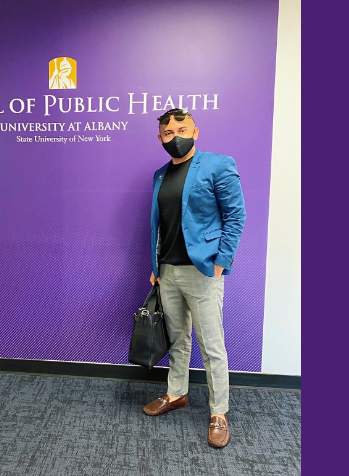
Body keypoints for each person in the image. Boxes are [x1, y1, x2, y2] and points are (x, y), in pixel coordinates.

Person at [142, 108, 246, 448]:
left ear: (195, 131)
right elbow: (160, 225)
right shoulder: (159, 175)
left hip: (203, 272)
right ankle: (176, 394)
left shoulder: (218, 164)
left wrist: (221, 262)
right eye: (168, 133)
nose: (176, 137)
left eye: (182, 130)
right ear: (160, 138)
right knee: (178, 340)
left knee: (211, 345)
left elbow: (236, 215)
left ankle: (219, 413)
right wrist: (157, 267)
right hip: (168, 272)